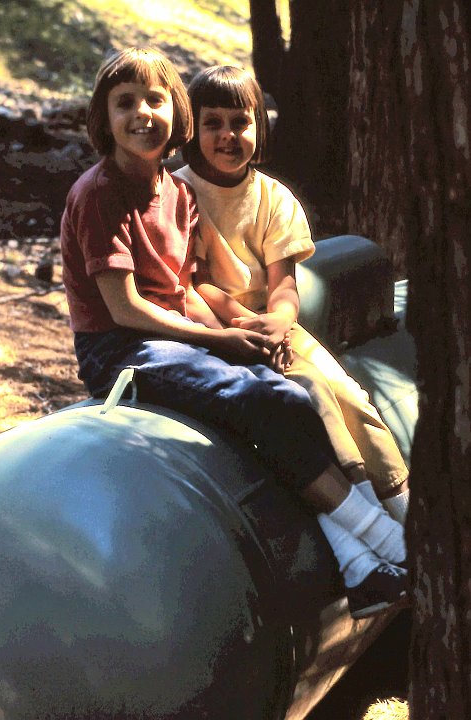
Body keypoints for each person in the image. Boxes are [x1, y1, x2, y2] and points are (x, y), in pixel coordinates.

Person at [60, 47, 407, 620]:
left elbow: (184, 290)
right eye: (125, 103)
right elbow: (125, 310)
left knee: (291, 393)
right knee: (253, 398)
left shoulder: (175, 194)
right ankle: (383, 541)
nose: (142, 113)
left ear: (177, 115)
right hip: (120, 350)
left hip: (174, 336)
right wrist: (219, 342)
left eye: (156, 100)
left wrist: (236, 330)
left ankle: (357, 564)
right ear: (103, 117)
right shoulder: (99, 193)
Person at [173, 65, 411, 534]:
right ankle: (364, 513)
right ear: (192, 128)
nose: (227, 135)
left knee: (350, 395)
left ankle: (404, 509)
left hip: (274, 324)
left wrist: (280, 320)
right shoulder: (179, 193)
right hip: (215, 327)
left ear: (259, 126)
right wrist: (247, 326)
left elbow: (284, 282)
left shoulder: (272, 197)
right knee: (312, 395)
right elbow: (191, 282)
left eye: (240, 122)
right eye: (213, 123)